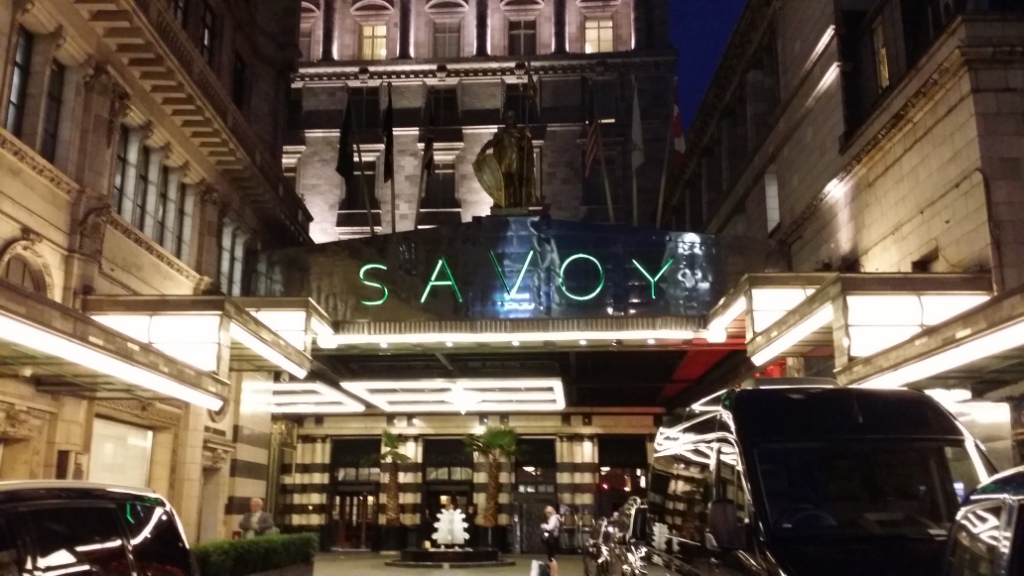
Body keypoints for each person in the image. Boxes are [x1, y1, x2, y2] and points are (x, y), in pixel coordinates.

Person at [540, 505, 561, 576]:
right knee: (551, 557)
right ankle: (553, 572)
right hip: (553, 538)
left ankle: (554, 573)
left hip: (552, 539)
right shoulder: (554, 518)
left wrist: (543, 525)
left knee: (551, 557)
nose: (546, 515)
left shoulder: (553, 518)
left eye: (546, 513)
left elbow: (550, 527)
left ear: (550, 512)